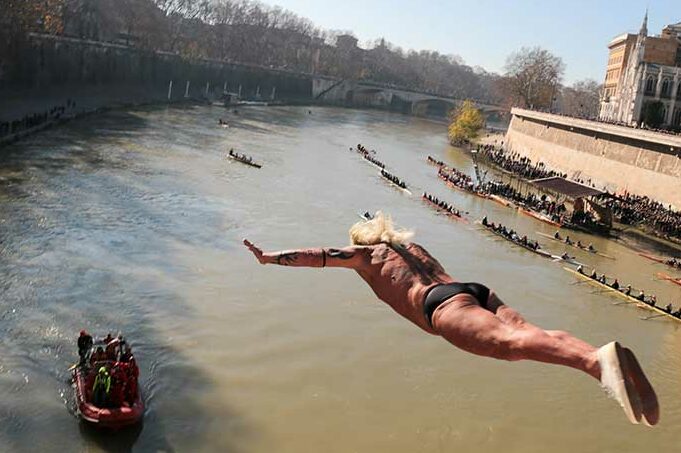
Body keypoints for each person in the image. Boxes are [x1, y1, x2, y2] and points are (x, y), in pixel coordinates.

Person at [243, 211, 659, 426]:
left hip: (440, 306)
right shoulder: (411, 247)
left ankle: (596, 364)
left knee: (511, 349)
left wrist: (268, 259)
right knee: (528, 334)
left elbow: (317, 256)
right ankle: (597, 358)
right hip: (475, 290)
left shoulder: (367, 257)